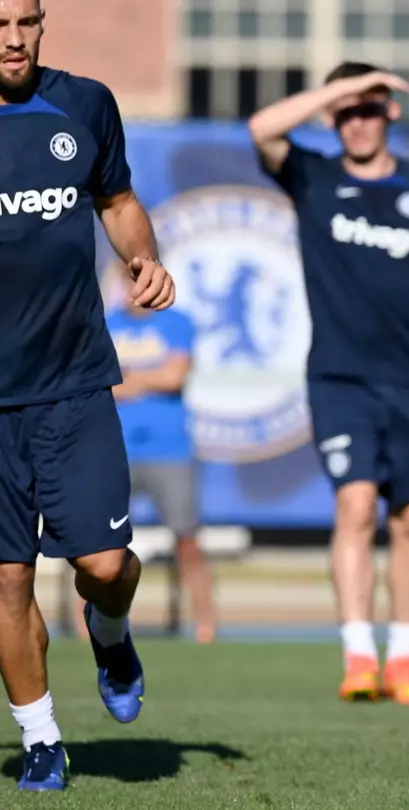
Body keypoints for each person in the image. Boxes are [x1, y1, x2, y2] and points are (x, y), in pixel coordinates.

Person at [248, 62, 409, 706]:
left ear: (391, 112)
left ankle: (404, 659)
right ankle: (358, 653)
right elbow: (262, 127)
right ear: (334, 117)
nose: (358, 121)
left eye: (370, 108)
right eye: (347, 112)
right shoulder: (314, 176)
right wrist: (339, 90)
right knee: (356, 506)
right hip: (339, 377)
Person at [0, 0, 176, 791]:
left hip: (73, 385)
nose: (13, 38)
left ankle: (109, 628)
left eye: (26, 21)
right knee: (5, 581)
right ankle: (41, 740)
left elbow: (116, 201)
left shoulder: (85, 104)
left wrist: (144, 262)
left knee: (104, 564)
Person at [106, 288, 216, 644]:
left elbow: (175, 376)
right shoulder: (105, 323)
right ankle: (89, 626)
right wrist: (150, 375)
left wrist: (129, 378)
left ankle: (205, 624)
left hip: (171, 451)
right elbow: (97, 382)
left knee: (187, 540)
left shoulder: (177, 321)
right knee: (98, 546)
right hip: (114, 448)